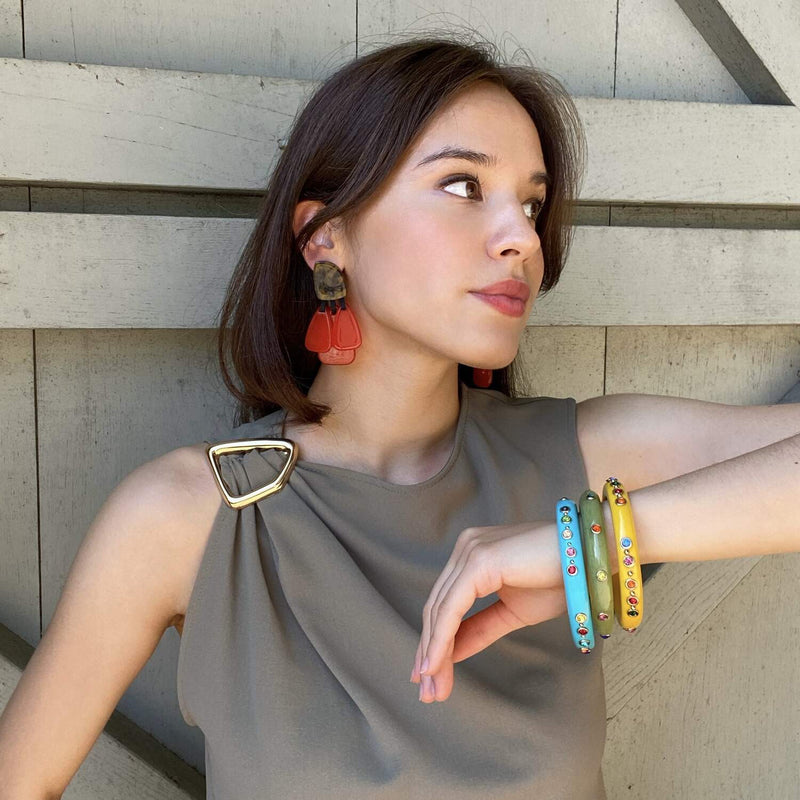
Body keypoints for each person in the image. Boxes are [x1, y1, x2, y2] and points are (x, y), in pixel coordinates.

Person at [0, 31, 798, 800]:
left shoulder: (583, 456)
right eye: (463, 185)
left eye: (532, 202)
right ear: (324, 238)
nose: (522, 236)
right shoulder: (189, 518)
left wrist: (592, 542)